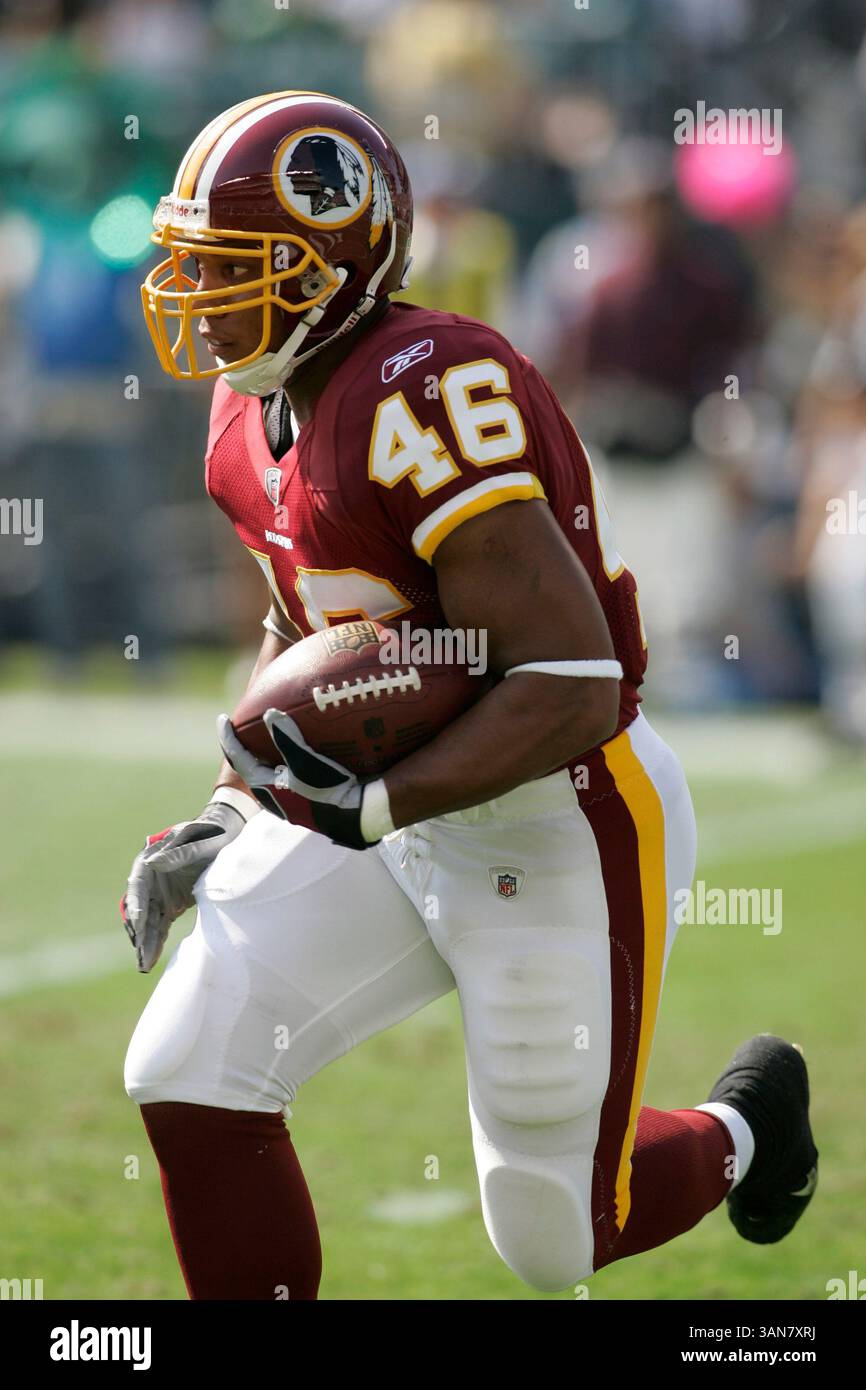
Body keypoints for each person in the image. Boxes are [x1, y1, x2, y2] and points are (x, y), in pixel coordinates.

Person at [121, 92, 817, 1300]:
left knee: (552, 1234)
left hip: (556, 805)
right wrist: (233, 807)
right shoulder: (246, 412)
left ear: (335, 266)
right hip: (389, 804)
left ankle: (745, 1127)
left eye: (239, 269)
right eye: (196, 265)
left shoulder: (423, 386)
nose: (205, 298)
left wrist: (373, 809)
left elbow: (573, 678)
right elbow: (309, 633)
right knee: (188, 1064)